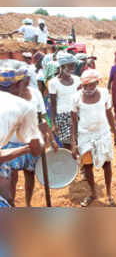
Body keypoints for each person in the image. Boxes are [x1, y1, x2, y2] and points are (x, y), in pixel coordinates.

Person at [3, 65, 56, 207]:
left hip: (31, 140)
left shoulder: (35, 93)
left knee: (30, 174)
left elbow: (42, 117)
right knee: (11, 176)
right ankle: (11, 203)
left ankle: (28, 203)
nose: (24, 82)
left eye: (25, 79)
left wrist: (50, 136)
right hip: (11, 142)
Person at [71, 69, 116, 207]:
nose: (89, 88)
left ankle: (109, 193)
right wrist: (74, 142)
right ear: (83, 85)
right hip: (85, 135)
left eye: (92, 84)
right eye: (87, 85)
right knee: (87, 166)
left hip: (103, 134)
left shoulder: (104, 93)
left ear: (97, 83)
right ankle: (92, 193)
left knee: (107, 164)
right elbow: (73, 120)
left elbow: (109, 113)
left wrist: (115, 132)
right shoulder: (76, 97)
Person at [49, 53, 80, 150]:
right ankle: (72, 165)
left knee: (79, 143)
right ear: (62, 66)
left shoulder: (77, 80)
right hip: (62, 117)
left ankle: (80, 164)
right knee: (68, 146)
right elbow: (53, 105)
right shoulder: (53, 83)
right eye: (70, 65)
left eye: (74, 65)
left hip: (77, 115)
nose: (73, 68)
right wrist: (53, 124)